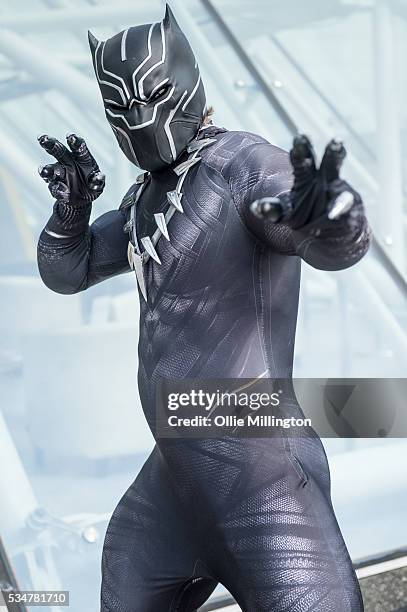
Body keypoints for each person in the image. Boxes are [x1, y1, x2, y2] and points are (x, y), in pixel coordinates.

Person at [36, 5, 369, 611]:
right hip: (173, 479)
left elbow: (321, 238)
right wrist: (71, 211)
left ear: (186, 82)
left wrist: (330, 216)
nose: (139, 119)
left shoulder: (242, 163)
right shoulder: (144, 196)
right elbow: (69, 270)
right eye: (121, 108)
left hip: (259, 478)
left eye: (152, 95)